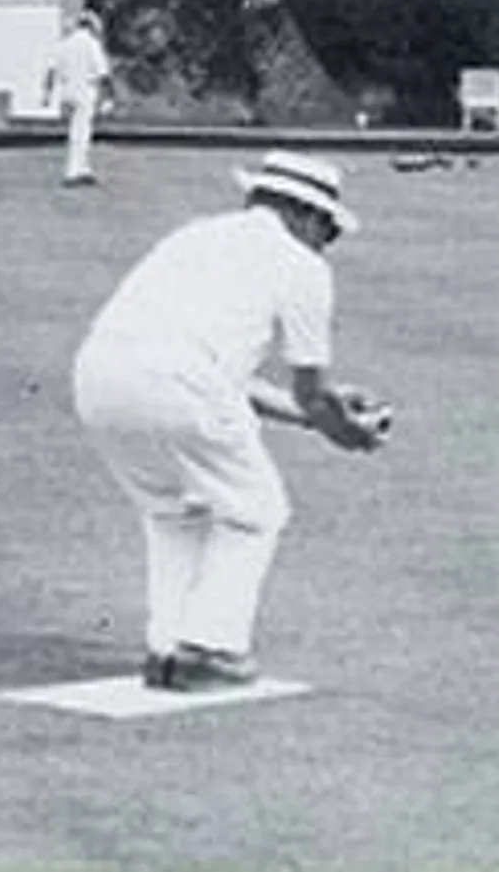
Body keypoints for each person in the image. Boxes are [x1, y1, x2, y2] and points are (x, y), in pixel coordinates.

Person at [71, 149, 383, 691]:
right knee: (256, 511)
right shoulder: (302, 265)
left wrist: (320, 413)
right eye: (327, 231)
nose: (324, 243)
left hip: (99, 377)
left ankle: (168, 647)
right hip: (181, 384)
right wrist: (346, 429)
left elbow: (217, 374)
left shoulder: (194, 237)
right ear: (306, 216)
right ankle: (213, 650)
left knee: (173, 512)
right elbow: (309, 393)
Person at [42, 11, 114, 186]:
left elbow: (51, 70)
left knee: (79, 129)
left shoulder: (64, 43)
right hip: (85, 90)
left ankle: (83, 169)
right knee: (81, 132)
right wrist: (109, 95)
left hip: (67, 90)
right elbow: (103, 72)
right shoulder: (91, 44)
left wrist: (47, 93)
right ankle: (72, 172)